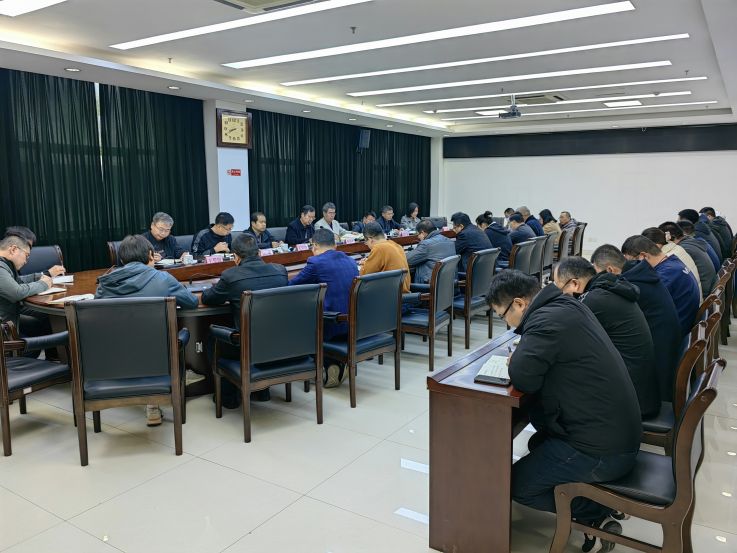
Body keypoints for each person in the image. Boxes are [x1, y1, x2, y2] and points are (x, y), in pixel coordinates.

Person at [487, 270, 640, 551]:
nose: (506, 324)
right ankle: (590, 497)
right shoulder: (565, 305)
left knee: (517, 486)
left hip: (601, 450)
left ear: (519, 303)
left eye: (502, 315)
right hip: (615, 433)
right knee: (538, 442)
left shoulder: (546, 321)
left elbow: (524, 377)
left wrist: (515, 360)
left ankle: (596, 510)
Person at [95, 235, 198, 426]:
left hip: (115, 354)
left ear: (122, 259)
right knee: (164, 340)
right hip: (156, 354)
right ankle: (153, 403)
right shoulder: (162, 278)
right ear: (151, 255)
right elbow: (191, 303)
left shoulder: (105, 283)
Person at [554, 257, 660, 418]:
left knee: (557, 383)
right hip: (640, 390)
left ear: (574, 284)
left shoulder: (594, 300)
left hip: (632, 402)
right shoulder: (609, 287)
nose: (560, 295)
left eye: (559, 289)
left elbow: (564, 336)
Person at [201, 233, 289, 407]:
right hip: (279, 343)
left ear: (235, 257)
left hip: (246, 346)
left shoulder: (230, 276)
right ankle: (262, 391)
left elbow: (208, 298)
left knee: (212, 338)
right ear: (259, 253)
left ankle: (228, 397)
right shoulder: (280, 271)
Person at [592, 244, 683, 400]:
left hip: (653, 376)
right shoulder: (641, 274)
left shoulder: (630, 285)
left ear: (610, 270)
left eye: (596, 273)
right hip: (664, 355)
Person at [289, 229, 359, 387]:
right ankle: (336, 363)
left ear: (314, 245)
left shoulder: (316, 262)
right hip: (353, 324)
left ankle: (320, 366)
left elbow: (291, 286)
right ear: (335, 245)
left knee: (298, 317)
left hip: (331, 324)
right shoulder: (350, 260)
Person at [621, 235, 699, 337]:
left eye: (631, 262)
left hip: (676, 335)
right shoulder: (673, 263)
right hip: (686, 326)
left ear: (643, 256)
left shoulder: (663, 276)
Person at [0, 235, 53, 332]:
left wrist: (38, 277)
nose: (26, 261)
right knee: (47, 322)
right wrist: (43, 284)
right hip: (4, 329)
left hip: (7, 320)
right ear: (13, 249)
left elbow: (17, 281)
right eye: (27, 255)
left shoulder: (4, 265)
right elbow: (17, 292)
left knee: (44, 318)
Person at [658, 221, 717, 297]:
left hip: (704, 293)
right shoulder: (691, 242)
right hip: (709, 287)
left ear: (671, 237)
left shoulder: (683, 249)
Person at [641, 227, 702, 299]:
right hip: (695, 296)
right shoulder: (676, 248)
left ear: (656, 245)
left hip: (692, 301)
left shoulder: (667, 258)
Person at [359, 222, 410, 293]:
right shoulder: (396, 245)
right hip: (402, 294)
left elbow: (364, 276)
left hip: (389, 296)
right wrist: (368, 262)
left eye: (366, 242)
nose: (367, 245)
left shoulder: (378, 248)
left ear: (370, 239)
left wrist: (363, 265)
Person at [405, 219, 456, 284]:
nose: (418, 237)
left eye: (418, 234)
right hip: (448, 284)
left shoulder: (426, 244)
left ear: (423, 232)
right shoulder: (450, 241)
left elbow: (407, 260)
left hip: (429, 285)